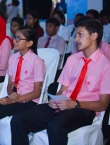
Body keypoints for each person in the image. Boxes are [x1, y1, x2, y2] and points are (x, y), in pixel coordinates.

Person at [10, 17, 110, 145]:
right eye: (76, 35)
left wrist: (75, 104)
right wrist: (55, 100)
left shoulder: (106, 66)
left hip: (84, 110)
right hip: (64, 104)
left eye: (80, 35)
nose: (76, 39)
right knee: (18, 119)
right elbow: (62, 90)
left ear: (94, 36)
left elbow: (103, 104)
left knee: (55, 125)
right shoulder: (72, 59)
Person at [0, 26, 45, 145]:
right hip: (14, 97)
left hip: (28, 101)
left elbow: (37, 92)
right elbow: (10, 83)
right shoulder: (13, 58)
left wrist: (14, 100)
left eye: (19, 38)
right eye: (14, 37)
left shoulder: (37, 62)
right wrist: (11, 94)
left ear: (29, 43)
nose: (14, 41)